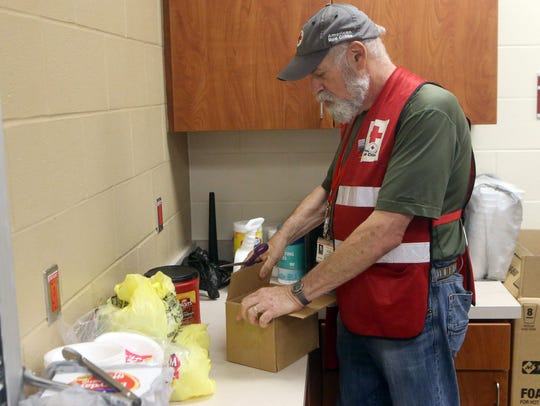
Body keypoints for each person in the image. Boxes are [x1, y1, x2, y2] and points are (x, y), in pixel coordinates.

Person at [237, 3, 475, 405]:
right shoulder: (359, 116)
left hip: (418, 298)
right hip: (361, 293)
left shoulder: (427, 110)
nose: (314, 88)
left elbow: (387, 228)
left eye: (319, 74)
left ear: (357, 56)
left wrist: (296, 294)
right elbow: (328, 193)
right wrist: (280, 241)